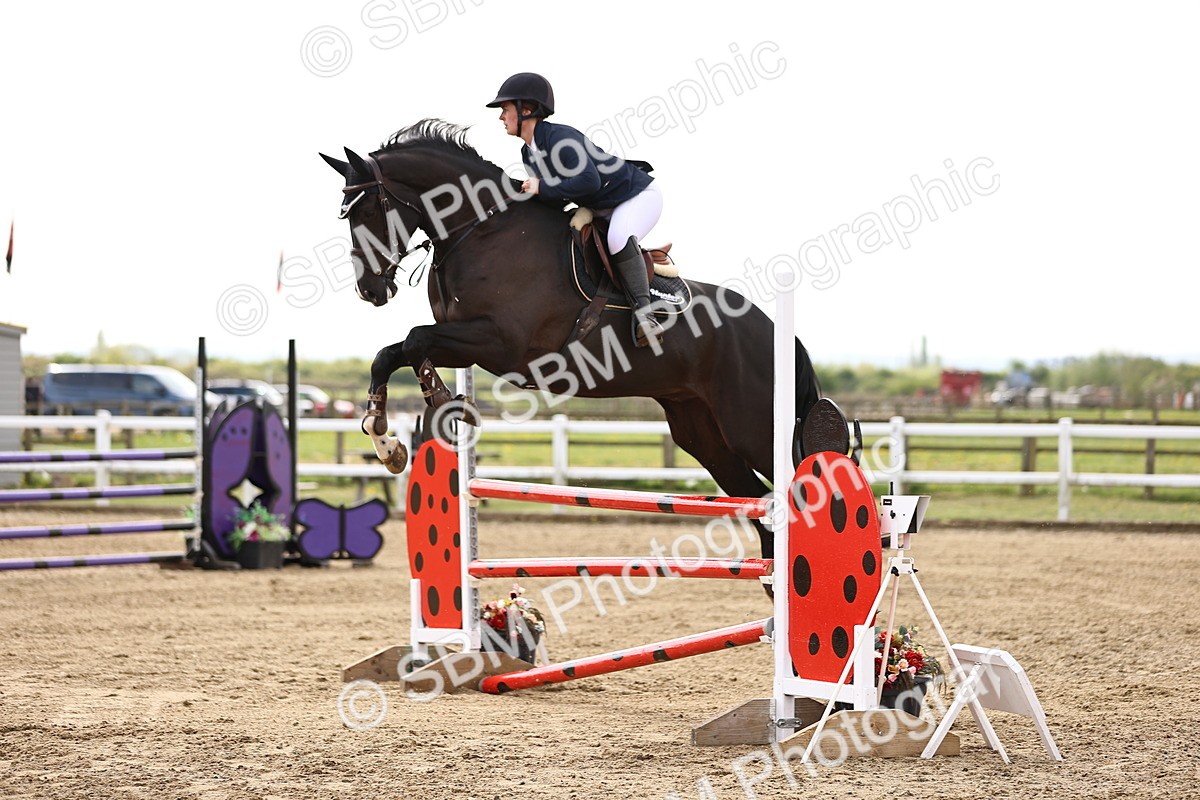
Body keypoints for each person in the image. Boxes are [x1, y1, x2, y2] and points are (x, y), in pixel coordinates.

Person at [486, 72, 665, 348]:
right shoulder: (528, 153)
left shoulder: (561, 138)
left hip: (637, 196)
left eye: (505, 109)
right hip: (602, 206)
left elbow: (588, 181)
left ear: (526, 110)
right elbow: (556, 196)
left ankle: (646, 316)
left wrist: (541, 187)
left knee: (618, 238)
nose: (501, 117)